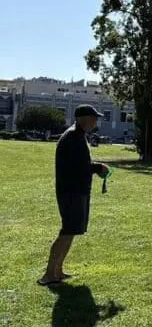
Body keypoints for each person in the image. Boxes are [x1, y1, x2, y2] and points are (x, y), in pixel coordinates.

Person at [38, 105, 108, 286]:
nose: (95, 121)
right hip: (71, 192)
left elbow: (80, 163)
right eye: (93, 118)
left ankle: (58, 271)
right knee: (67, 231)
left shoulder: (77, 135)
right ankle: (48, 274)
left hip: (77, 190)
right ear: (81, 118)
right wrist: (98, 167)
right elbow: (79, 166)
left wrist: (96, 167)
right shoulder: (72, 137)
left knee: (72, 231)